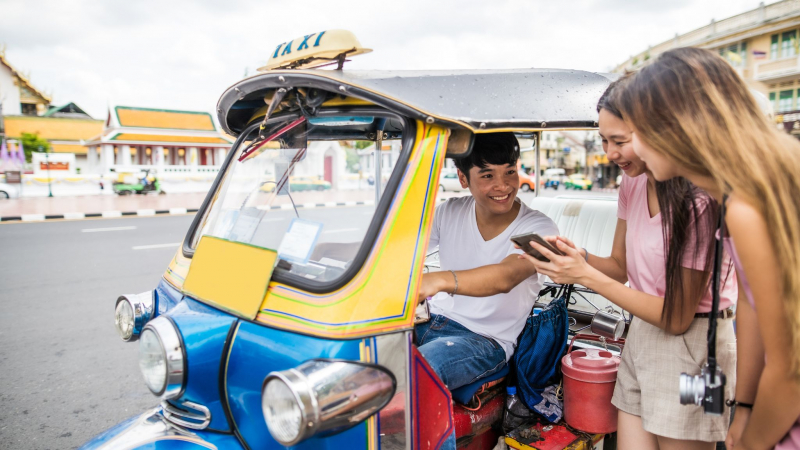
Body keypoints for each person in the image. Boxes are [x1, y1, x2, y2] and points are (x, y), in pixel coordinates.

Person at [519, 78, 738, 450]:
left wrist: (584, 275)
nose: (610, 153)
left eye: (620, 141)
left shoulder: (700, 201)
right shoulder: (633, 182)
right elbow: (620, 265)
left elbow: (676, 316)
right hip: (642, 336)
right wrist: (578, 258)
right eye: (604, 140)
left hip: (699, 348)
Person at [614, 47, 800, 450]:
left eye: (635, 134)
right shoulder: (738, 198)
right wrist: (745, 406)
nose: (631, 150)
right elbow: (752, 306)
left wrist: (752, 441)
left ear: (677, 129)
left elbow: (791, 372)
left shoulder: (744, 209)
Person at [416, 132, 558, 391]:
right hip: (431, 320)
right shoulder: (449, 211)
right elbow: (406, 248)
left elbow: (505, 276)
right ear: (462, 178)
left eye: (510, 172)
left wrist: (437, 280)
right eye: (487, 175)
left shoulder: (538, 227)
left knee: (418, 372)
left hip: (484, 341)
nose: (503, 186)